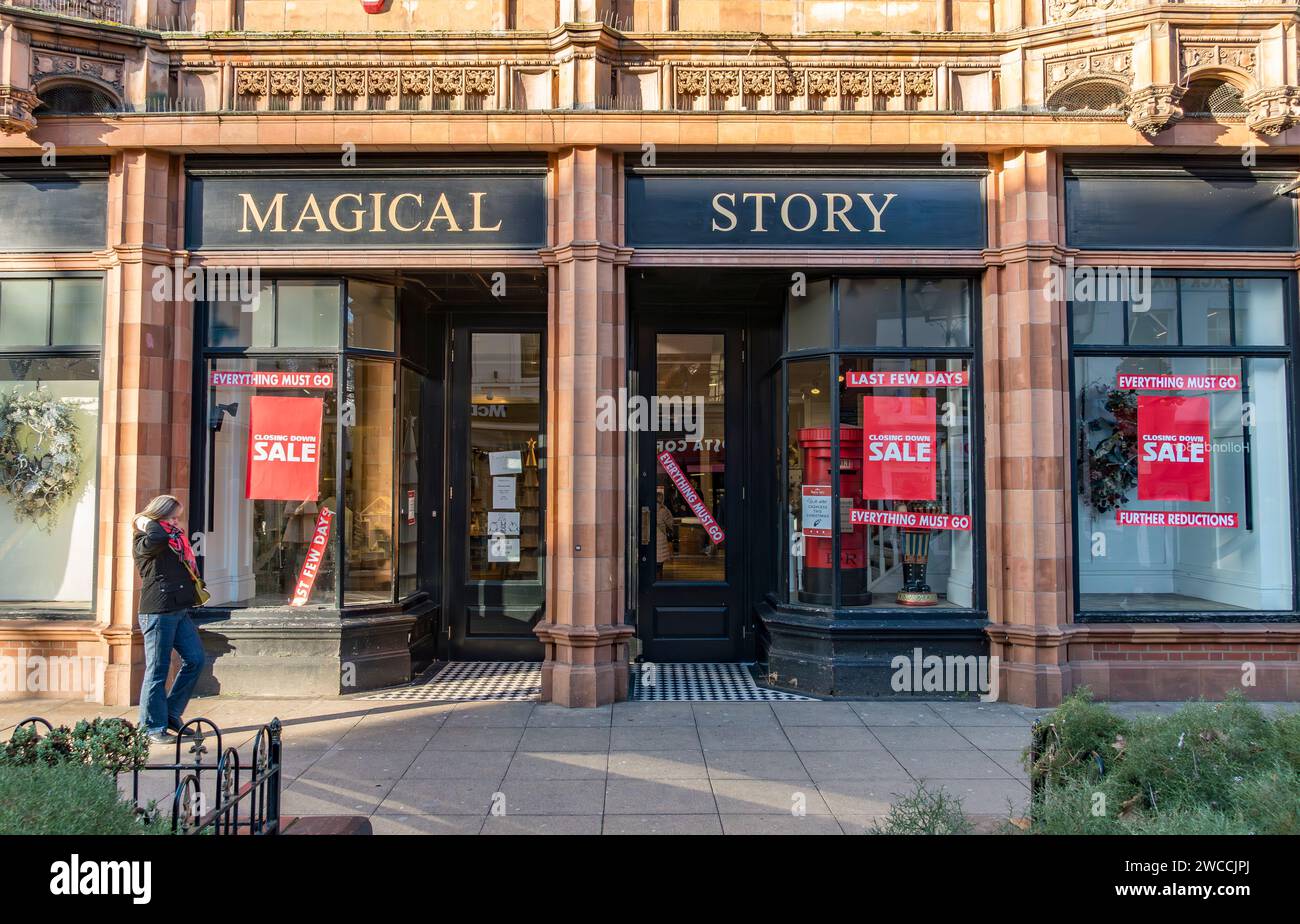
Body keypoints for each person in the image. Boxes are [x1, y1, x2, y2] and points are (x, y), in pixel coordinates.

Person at [132, 495, 206, 744]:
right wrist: (143, 520)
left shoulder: (175, 539)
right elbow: (158, 536)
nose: (177, 521)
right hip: (157, 611)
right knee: (157, 670)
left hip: (178, 609)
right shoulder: (146, 540)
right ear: (158, 516)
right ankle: (151, 726)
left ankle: (171, 714)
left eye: (178, 516)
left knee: (195, 659)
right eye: (173, 517)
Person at [655, 486, 674, 579]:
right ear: (661, 499)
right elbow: (670, 522)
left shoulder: (649, 508)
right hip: (660, 538)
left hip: (651, 538)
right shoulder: (663, 510)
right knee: (660, 564)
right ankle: (659, 580)